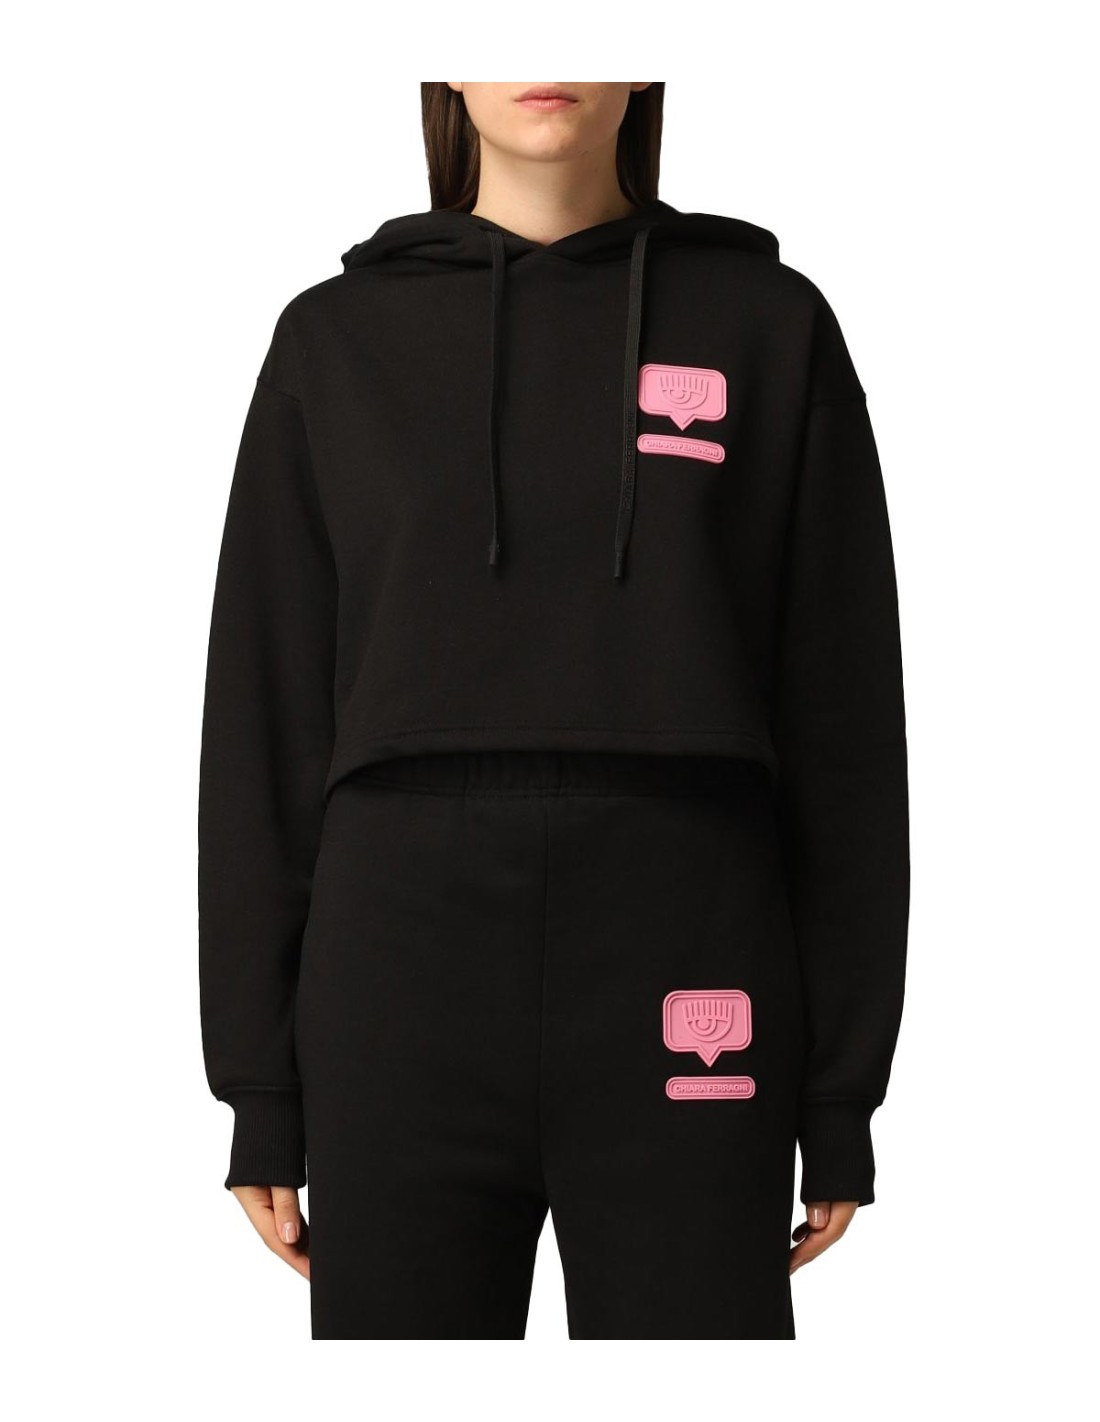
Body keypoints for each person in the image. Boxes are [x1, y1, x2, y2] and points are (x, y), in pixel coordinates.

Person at [197, 81, 910, 1341]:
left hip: (690, 957)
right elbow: (265, 720)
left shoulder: (766, 323)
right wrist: (259, 1085)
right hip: (396, 980)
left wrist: (839, 1094)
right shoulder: (333, 339)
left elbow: (843, 724)